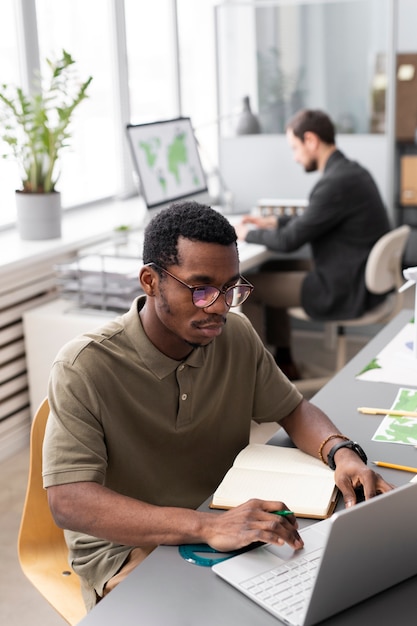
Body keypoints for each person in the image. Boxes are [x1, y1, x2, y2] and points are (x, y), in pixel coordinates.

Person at [43, 201, 392, 611]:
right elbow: (68, 500)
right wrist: (206, 525)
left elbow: (293, 409)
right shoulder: (83, 367)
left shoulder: (234, 335)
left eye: (231, 289)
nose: (220, 306)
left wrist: (341, 451)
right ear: (150, 281)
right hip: (131, 546)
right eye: (202, 288)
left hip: (222, 515)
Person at [235, 109, 391, 380]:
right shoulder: (351, 172)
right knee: (273, 266)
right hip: (354, 272)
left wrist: (244, 233)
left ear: (311, 140)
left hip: (346, 287)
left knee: (250, 285)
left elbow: (289, 241)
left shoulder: (335, 184)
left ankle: (259, 383)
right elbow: (313, 220)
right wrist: (273, 222)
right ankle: (285, 363)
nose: (295, 157)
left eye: (295, 148)